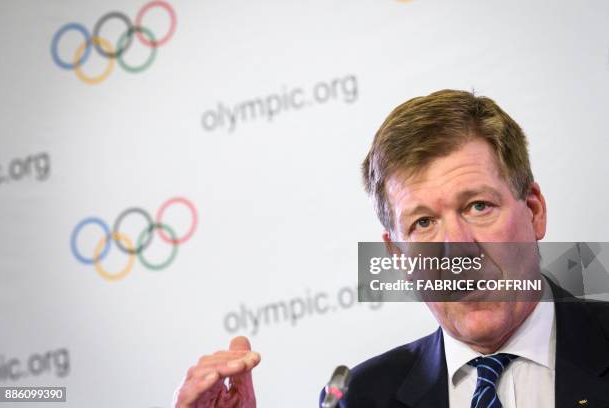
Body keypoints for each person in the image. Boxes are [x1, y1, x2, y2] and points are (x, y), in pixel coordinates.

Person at [173, 90, 609, 408]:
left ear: (533, 211)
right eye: (423, 223)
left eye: (478, 206)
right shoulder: (357, 398)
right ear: (399, 257)